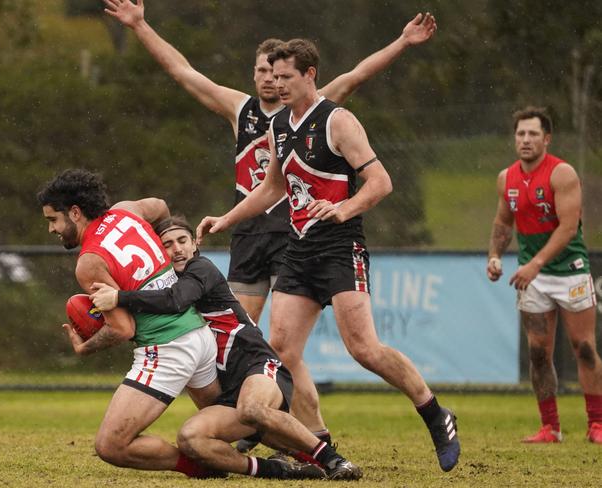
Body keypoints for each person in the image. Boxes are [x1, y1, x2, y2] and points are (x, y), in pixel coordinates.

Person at [197, 39, 461, 472]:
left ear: (310, 75)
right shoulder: (279, 124)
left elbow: (380, 182)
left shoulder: (338, 121)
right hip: (299, 248)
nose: (278, 84)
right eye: (274, 76)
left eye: (286, 77)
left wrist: (343, 209)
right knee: (280, 349)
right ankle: (315, 443)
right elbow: (271, 188)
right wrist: (227, 219)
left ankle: (435, 414)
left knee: (364, 348)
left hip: (341, 247)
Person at [103, 0, 437, 329]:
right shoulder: (241, 109)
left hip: (291, 232)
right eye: (262, 71)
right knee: (239, 328)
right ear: (254, 73)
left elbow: (357, 75)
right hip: (249, 233)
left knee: (285, 342)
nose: (270, 80)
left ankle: (283, 383)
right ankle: (254, 383)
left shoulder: (314, 109)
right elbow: (183, 73)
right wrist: (139, 25)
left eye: (276, 73)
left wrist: (403, 41)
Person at [37, 168, 330, 480]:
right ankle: (314, 457)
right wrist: (166, 260)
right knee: (233, 418)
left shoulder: (90, 261)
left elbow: (124, 329)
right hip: (199, 336)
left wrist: (87, 346)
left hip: (167, 349)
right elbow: (161, 206)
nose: (52, 229)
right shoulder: (127, 211)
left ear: (76, 212)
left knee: (111, 445)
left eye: (53, 219)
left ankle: (202, 468)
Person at [90, 215, 362, 479]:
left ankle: (333, 460)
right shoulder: (162, 286)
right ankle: (278, 470)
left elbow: (175, 300)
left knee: (251, 409)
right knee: (190, 439)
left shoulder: (201, 269)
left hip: (258, 365)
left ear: (194, 244)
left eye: (182, 240)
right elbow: (150, 308)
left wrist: (118, 297)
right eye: (167, 244)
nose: (177, 249)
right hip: (229, 391)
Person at [486, 106, 602, 444]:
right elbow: (503, 222)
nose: (525, 139)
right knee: (538, 353)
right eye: (520, 133)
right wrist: (494, 256)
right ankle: (549, 427)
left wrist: (535, 264)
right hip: (532, 277)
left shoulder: (562, 173)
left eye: (533, 133)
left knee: (583, 347)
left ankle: (596, 424)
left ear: (546, 139)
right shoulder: (506, 178)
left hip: (570, 272)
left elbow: (568, 228)